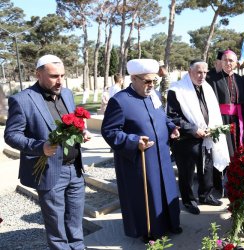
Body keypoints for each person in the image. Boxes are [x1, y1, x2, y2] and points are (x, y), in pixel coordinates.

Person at [4, 54, 91, 250]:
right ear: (38, 74)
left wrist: (81, 132)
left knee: (75, 223)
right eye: (53, 76)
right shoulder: (22, 100)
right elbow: (11, 135)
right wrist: (39, 147)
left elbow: (70, 125)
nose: (59, 81)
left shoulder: (67, 94)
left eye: (62, 75)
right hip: (50, 173)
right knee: (57, 229)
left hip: (76, 171)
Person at [101, 59, 182, 241]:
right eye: (147, 81)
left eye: (154, 81)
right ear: (134, 78)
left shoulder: (153, 96)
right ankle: (150, 231)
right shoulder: (119, 100)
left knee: (166, 190)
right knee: (149, 195)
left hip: (161, 154)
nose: (151, 85)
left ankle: (171, 223)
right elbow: (109, 131)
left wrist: (171, 127)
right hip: (141, 159)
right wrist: (133, 140)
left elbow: (162, 117)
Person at [167, 59, 229, 214]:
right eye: (199, 72)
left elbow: (211, 111)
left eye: (205, 72)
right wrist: (193, 129)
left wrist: (212, 128)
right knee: (187, 172)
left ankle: (205, 195)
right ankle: (189, 200)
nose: (202, 76)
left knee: (206, 167)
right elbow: (172, 117)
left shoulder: (206, 87)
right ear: (189, 72)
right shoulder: (177, 90)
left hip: (206, 136)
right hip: (185, 139)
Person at [207, 49, 244, 196]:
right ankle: (219, 185)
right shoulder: (212, 79)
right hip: (220, 120)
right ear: (221, 62)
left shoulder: (240, 79)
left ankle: (236, 181)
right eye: (225, 60)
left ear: (236, 63)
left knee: (237, 150)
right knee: (221, 151)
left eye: (231, 60)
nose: (228, 63)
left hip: (238, 121)